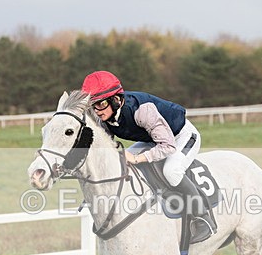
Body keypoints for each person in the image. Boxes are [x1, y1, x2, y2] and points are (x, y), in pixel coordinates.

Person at [81, 70, 216, 243]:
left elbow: (167, 146)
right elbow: (106, 152)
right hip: (153, 139)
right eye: (93, 105)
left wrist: (137, 159)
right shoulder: (104, 116)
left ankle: (203, 217)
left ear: (115, 100)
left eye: (100, 104)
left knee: (171, 171)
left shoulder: (142, 111)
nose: (97, 111)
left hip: (180, 136)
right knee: (121, 160)